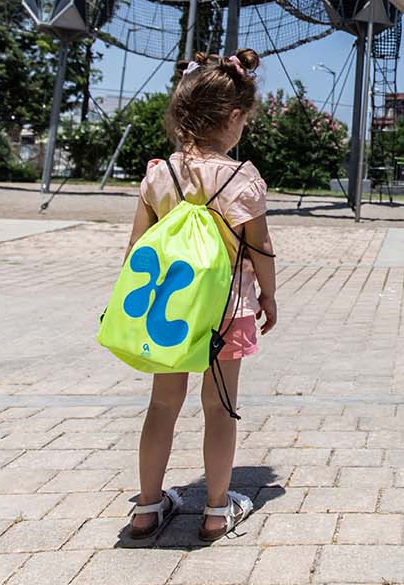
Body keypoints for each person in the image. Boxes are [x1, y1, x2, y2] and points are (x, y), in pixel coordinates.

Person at [125, 49, 277, 543]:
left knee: (162, 407)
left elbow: (137, 247)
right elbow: (261, 249)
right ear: (233, 118)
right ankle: (215, 510)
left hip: (169, 309)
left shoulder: (158, 174)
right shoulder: (241, 179)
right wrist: (269, 298)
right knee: (220, 408)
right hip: (226, 311)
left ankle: (147, 507)